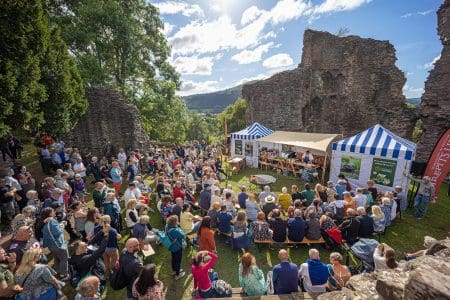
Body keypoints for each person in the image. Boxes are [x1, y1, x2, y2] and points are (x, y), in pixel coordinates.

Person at [41, 207, 69, 280]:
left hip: (51, 245)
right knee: (64, 259)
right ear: (50, 214)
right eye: (53, 211)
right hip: (58, 244)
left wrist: (59, 224)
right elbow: (58, 232)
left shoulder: (46, 222)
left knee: (57, 257)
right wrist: (62, 226)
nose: (54, 211)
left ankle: (58, 270)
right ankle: (64, 275)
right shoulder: (52, 221)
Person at [165, 215, 186, 280]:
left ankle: (174, 270)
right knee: (178, 261)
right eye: (177, 221)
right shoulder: (175, 231)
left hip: (171, 246)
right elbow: (183, 235)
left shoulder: (167, 226)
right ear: (174, 222)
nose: (178, 222)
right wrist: (179, 228)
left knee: (174, 259)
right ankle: (178, 274)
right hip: (177, 247)